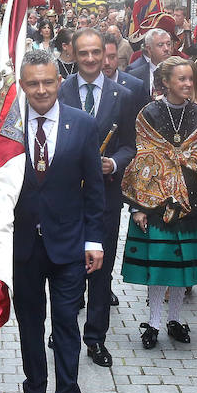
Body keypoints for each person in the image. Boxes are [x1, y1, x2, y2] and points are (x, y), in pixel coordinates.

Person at [12, 50, 105, 393]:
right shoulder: (7, 129)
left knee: (66, 324)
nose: (41, 90)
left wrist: (94, 240)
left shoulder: (82, 125)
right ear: (22, 85)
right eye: (33, 83)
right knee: (30, 324)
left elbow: (94, 191)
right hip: (24, 247)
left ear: (59, 82)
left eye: (48, 82)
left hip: (68, 244)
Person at [121, 57, 197, 349]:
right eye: (181, 79)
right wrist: (138, 207)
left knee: (183, 266)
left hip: (191, 202)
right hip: (157, 203)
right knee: (160, 266)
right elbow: (142, 160)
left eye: (191, 79)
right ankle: (154, 322)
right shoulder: (149, 113)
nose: (188, 84)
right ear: (166, 81)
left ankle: (175, 319)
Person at [58, 29, 136, 367]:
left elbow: (132, 145)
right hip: (66, 197)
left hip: (105, 197)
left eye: (96, 53)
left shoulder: (124, 95)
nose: (90, 59)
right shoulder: (58, 91)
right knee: (64, 266)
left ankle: (95, 338)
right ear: (74, 55)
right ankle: (61, 330)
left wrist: (115, 162)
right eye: (83, 53)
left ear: (107, 54)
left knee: (101, 271)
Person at [126, 24, 174, 101]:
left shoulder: (181, 72)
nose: (166, 49)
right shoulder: (135, 75)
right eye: (160, 45)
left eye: (168, 44)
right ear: (149, 49)